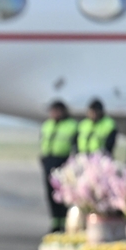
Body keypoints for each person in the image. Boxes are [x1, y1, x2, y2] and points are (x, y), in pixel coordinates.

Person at [40, 99, 78, 233]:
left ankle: (65, 222)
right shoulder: (47, 125)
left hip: (63, 162)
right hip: (49, 161)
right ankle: (55, 222)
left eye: (57, 111)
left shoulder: (72, 126)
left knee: (64, 194)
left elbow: (75, 146)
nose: (54, 114)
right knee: (51, 194)